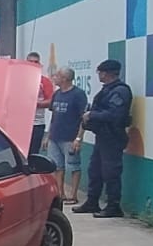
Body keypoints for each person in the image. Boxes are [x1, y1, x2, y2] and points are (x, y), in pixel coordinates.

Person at [73, 59, 133, 218]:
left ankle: (113, 206)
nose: (99, 75)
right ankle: (92, 201)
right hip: (102, 137)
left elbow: (115, 115)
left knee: (111, 172)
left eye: (100, 72)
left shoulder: (120, 91)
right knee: (95, 170)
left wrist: (92, 115)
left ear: (107, 73)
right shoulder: (107, 90)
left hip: (113, 138)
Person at [46, 68, 88, 204]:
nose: (54, 77)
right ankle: (60, 193)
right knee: (57, 167)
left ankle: (73, 195)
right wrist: (48, 135)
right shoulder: (57, 94)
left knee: (73, 166)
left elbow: (84, 118)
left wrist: (78, 138)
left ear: (64, 78)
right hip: (55, 137)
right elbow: (54, 116)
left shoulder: (78, 95)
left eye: (57, 75)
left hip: (70, 137)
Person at [25, 52, 55, 154]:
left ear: (39, 64)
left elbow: (51, 102)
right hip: (20, 124)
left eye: (36, 62)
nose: (33, 64)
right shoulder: (18, 79)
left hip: (37, 124)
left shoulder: (45, 81)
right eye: (30, 62)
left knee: (33, 154)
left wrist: (35, 104)